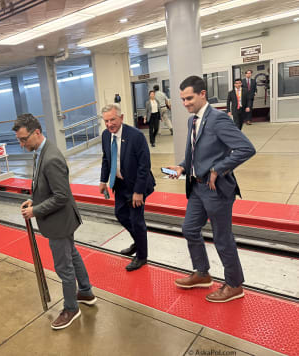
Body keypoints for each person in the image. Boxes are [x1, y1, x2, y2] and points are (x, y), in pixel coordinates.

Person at [167, 75, 255, 303]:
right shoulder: (192, 121)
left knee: (222, 238)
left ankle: (235, 285)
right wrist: (182, 167)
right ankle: (202, 273)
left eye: (189, 98)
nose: (185, 103)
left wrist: (219, 168)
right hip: (197, 188)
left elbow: (246, 148)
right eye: (182, 99)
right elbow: (195, 155)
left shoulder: (217, 119)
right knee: (189, 228)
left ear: (202, 94)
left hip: (216, 189)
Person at [13, 113, 97, 330]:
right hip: (61, 219)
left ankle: (71, 308)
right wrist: (34, 199)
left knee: (64, 267)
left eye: (24, 139)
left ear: (37, 132)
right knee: (73, 254)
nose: (22, 145)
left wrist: (36, 211)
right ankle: (86, 292)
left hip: (59, 221)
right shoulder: (40, 151)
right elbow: (47, 187)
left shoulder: (50, 158)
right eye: (19, 140)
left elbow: (61, 196)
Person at [99, 103, 155, 271]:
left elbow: (144, 166)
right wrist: (103, 181)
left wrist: (138, 191)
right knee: (120, 214)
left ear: (121, 118)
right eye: (106, 121)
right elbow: (106, 159)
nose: (109, 124)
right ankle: (138, 242)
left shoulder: (136, 136)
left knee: (137, 221)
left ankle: (142, 256)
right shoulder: (105, 135)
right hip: (120, 184)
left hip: (136, 184)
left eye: (113, 120)